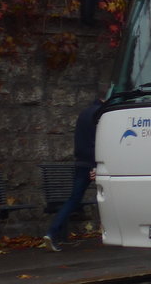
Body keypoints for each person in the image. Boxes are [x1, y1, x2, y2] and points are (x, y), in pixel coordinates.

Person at [44, 96, 105, 251]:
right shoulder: (102, 114)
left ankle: (52, 232)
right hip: (95, 163)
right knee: (109, 197)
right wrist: (95, 166)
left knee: (73, 200)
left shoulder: (83, 113)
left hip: (81, 163)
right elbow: (99, 141)